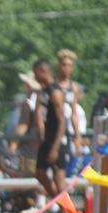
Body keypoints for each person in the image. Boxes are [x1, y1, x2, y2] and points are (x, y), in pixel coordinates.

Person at [31, 59, 67, 199]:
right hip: (46, 138)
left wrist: (55, 147)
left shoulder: (55, 91)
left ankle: (67, 212)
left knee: (59, 178)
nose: (34, 77)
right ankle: (58, 203)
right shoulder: (44, 91)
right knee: (40, 173)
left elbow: (62, 121)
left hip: (56, 140)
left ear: (42, 72)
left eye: (35, 73)